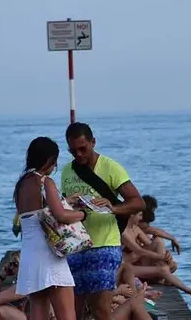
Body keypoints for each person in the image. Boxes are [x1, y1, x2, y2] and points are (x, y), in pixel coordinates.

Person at [61, 122, 146, 320]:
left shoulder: (110, 167)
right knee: (73, 310)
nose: (79, 154)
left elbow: (138, 202)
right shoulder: (67, 171)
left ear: (93, 142)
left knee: (101, 309)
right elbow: (64, 207)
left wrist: (113, 207)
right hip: (76, 246)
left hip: (104, 245)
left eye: (83, 148)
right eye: (73, 151)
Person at [13, 136, 87, 320]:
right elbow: (61, 216)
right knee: (67, 316)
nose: (54, 166)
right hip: (49, 255)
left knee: (38, 312)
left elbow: (38, 212)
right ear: (48, 160)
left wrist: (65, 201)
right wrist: (83, 214)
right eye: (54, 161)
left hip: (31, 257)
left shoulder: (22, 184)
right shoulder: (45, 182)